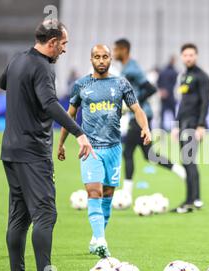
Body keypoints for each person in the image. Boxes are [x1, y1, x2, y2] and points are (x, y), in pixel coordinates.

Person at [0, 19, 94, 271]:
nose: (64, 49)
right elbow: (50, 104)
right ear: (52, 43)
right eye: (63, 44)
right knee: (45, 214)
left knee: (19, 216)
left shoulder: (17, 59)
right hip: (32, 152)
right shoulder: (42, 68)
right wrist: (79, 133)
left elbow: (4, 83)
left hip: (10, 150)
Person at [57, 44, 151, 258]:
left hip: (114, 149)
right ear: (91, 59)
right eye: (97, 57)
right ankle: (100, 240)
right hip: (90, 148)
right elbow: (68, 115)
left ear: (110, 59)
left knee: (108, 194)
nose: (101, 60)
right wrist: (61, 143)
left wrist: (145, 128)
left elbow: (137, 109)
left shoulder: (121, 83)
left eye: (105, 56)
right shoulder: (81, 84)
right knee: (94, 192)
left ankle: (97, 236)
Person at [113, 39, 185, 197]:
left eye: (116, 49)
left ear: (124, 50)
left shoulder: (132, 69)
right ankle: (179, 170)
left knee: (128, 152)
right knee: (149, 155)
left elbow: (151, 88)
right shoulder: (127, 68)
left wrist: (134, 104)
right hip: (141, 115)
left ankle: (126, 193)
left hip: (140, 117)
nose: (114, 53)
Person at [171, 43, 209, 213]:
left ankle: (194, 199)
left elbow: (205, 102)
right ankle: (192, 199)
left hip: (194, 125)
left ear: (196, 56)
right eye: (185, 55)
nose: (188, 58)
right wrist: (176, 125)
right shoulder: (183, 76)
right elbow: (183, 103)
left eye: (191, 55)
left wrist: (201, 125)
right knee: (186, 161)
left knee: (189, 160)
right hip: (183, 124)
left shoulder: (203, 77)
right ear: (181, 57)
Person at [157, 56, 178, 130]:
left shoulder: (162, 71)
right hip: (170, 95)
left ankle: (162, 127)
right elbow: (174, 84)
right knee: (174, 113)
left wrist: (162, 90)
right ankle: (175, 127)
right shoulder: (174, 72)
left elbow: (158, 82)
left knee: (162, 113)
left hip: (163, 96)